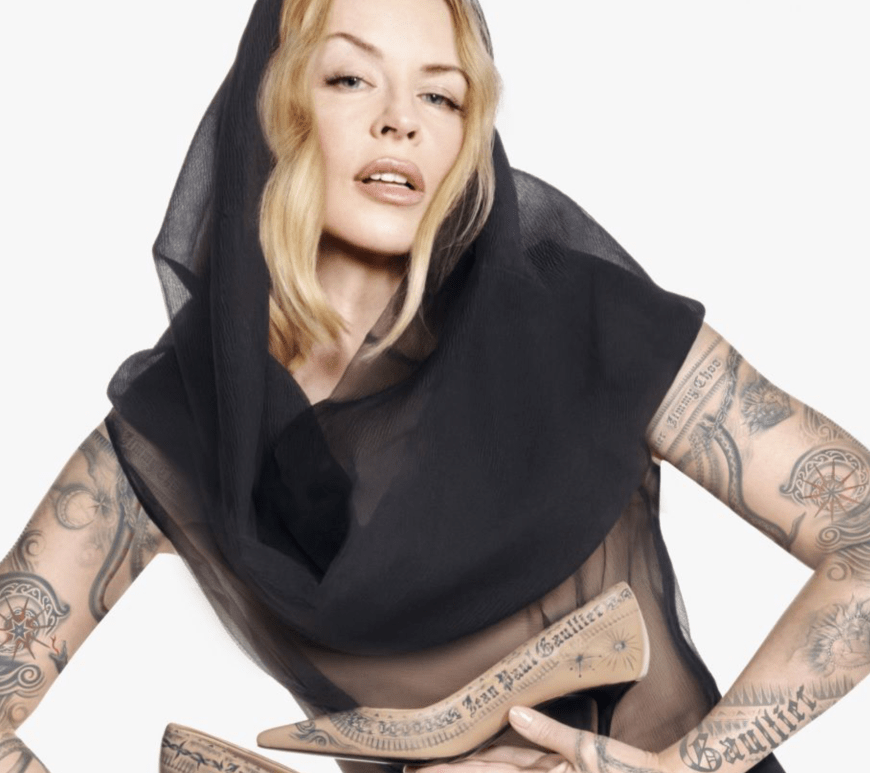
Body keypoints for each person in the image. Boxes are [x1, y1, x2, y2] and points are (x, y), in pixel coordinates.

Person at [1, 2, 868, 773]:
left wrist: (690, 768)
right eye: (350, 78)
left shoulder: (581, 319)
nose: (400, 122)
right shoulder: (184, 425)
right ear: (272, 105)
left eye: (441, 96)